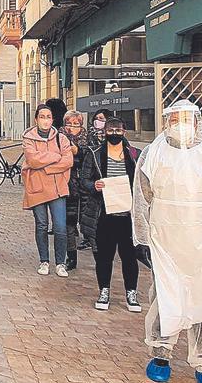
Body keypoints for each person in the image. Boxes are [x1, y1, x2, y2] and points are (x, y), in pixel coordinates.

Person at [133, 100, 202, 383]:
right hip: (166, 235)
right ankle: (160, 354)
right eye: (175, 118)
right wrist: (141, 238)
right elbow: (141, 197)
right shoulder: (154, 153)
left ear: (198, 121)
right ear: (167, 121)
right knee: (165, 294)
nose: (181, 123)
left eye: (187, 118)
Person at [81, 117, 142, 312]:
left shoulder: (134, 155)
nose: (114, 133)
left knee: (129, 257)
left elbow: (142, 183)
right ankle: (104, 290)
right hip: (104, 213)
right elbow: (84, 180)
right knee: (104, 256)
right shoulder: (95, 154)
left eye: (118, 130)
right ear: (104, 131)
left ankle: (131, 292)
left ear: (124, 132)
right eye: (110, 130)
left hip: (127, 214)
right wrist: (94, 186)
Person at [21, 104, 74, 278]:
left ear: (53, 119)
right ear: (36, 119)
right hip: (36, 188)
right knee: (42, 225)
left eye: (48, 116)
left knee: (60, 226)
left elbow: (68, 161)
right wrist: (55, 157)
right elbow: (33, 160)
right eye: (42, 116)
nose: (45, 120)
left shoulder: (62, 139)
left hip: (58, 188)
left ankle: (60, 262)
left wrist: (47, 168)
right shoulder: (28, 138)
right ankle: (44, 260)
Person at [77, 109, 109, 252]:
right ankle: (88, 238)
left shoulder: (111, 136)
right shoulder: (89, 135)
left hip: (107, 183)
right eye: (97, 118)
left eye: (102, 119)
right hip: (90, 178)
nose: (98, 121)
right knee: (87, 210)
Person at [60, 110, 88, 269]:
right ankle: (71, 256)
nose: (71, 128)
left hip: (85, 188)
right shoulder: (58, 138)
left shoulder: (88, 138)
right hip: (67, 185)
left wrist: (78, 151)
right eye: (68, 124)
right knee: (69, 223)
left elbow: (90, 159)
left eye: (75, 124)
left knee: (86, 222)